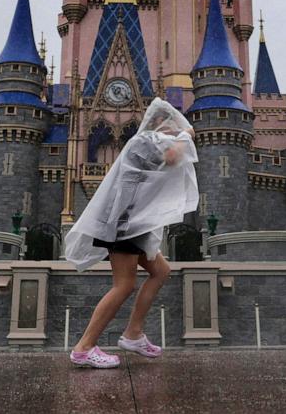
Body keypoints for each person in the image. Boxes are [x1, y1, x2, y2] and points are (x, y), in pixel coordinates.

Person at [64, 98, 198, 368]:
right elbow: (173, 157)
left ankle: (133, 334)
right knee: (123, 285)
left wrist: (179, 137)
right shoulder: (144, 141)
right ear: (161, 123)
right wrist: (185, 135)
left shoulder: (149, 142)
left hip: (134, 223)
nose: (174, 131)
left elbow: (167, 163)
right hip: (124, 223)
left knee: (161, 271)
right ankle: (83, 348)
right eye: (172, 126)